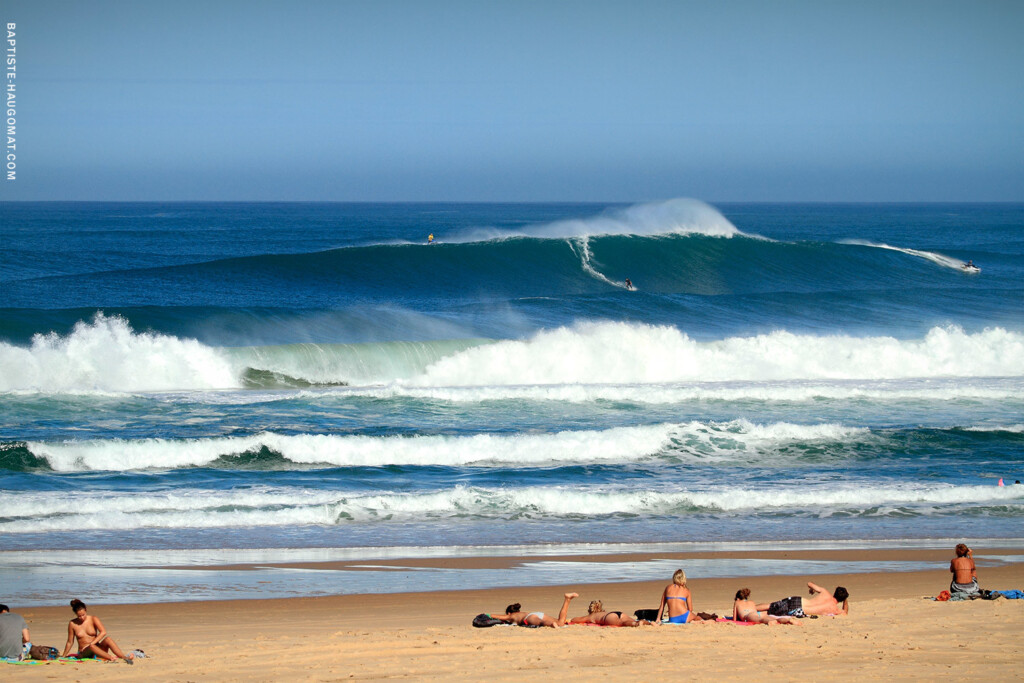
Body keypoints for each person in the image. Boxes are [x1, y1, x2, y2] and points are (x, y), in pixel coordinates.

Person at [62, 599, 134, 663]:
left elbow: (103, 632)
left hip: (98, 649)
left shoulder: (93, 619)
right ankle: (111, 658)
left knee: (108, 639)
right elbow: (70, 642)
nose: (82, 617)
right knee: (92, 647)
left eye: (83, 615)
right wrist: (64, 655)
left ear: (86, 610)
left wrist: (91, 643)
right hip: (84, 653)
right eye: (79, 616)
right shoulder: (72, 623)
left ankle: (124, 657)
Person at [756, 582, 849, 617]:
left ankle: (750, 608)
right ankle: (751, 610)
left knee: (771, 606)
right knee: (772, 611)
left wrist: (812, 590)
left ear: (834, 592)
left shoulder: (825, 592)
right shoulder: (835, 610)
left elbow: (809, 583)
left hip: (798, 600)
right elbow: (845, 612)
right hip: (799, 611)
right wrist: (846, 599)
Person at [488, 592, 577, 628]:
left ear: (509, 612)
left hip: (529, 618)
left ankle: (551, 625)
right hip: (537, 613)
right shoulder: (520, 613)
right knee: (560, 622)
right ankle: (567, 599)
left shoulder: (510, 616)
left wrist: (486, 615)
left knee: (541, 623)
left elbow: (495, 616)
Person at [566, 597, 649, 627]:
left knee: (622, 623)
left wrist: (571, 620)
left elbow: (575, 620)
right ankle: (648, 623)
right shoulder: (602, 612)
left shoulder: (591, 616)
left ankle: (636, 624)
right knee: (629, 620)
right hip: (618, 612)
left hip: (609, 617)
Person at [733, 589, 799, 625]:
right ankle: (788, 620)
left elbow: (735, 619)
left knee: (763, 620)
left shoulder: (737, 602)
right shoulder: (752, 602)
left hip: (749, 616)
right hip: (760, 613)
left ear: (738, 598)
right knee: (776, 619)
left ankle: (775, 621)